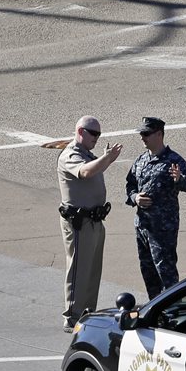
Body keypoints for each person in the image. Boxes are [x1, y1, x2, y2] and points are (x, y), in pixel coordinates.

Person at [56, 115, 122, 332]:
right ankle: (72, 316)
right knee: (78, 269)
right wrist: (107, 159)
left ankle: (87, 313)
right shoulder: (71, 155)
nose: (97, 138)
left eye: (99, 134)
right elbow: (85, 172)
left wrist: (104, 159)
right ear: (81, 131)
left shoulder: (87, 154)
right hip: (79, 222)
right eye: (93, 133)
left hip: (94, 220)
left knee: (93, 270)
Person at [125, 117, 186, 299]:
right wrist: (135, 197)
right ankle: (154, 306)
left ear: (159, 134)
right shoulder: (140, 160)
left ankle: (171, 309)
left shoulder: (173, 160)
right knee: (147, 270)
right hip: (143, 226)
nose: (142, 137)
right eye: (141, 133)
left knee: (166, 271)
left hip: (163, 229)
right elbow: (130, 184)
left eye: (146, 134)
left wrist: (179, 179)